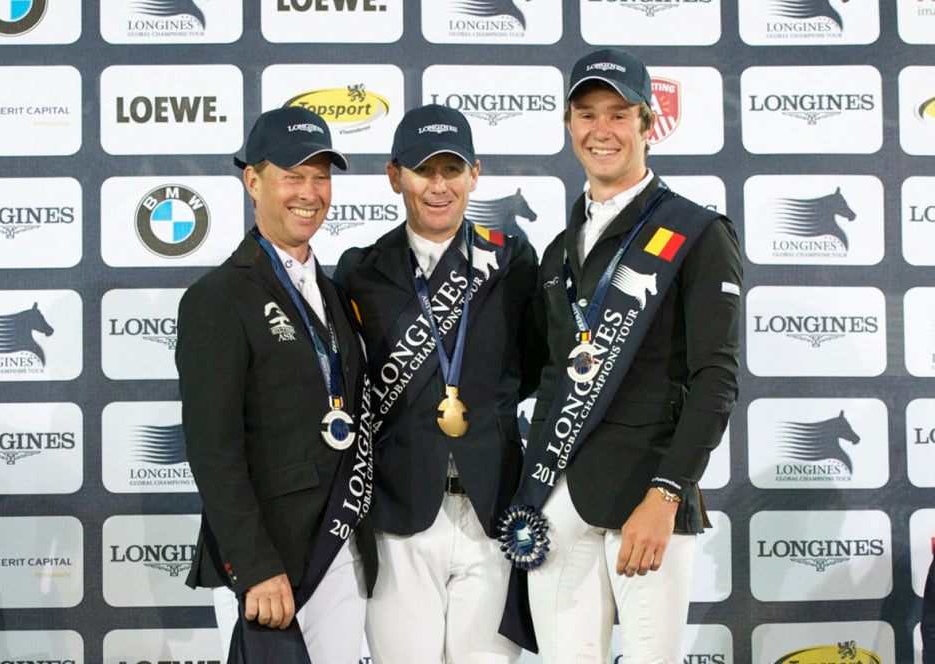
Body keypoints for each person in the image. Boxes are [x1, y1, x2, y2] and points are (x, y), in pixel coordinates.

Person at [501, 48, 742, 663]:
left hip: (647, 499)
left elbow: (715, 380)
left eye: (618, 114)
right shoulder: (558, 249)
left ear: (647, 123)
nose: (601, 130)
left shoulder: (697, 232)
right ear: (568, 125)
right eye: (586, 114)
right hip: (558, 500)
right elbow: (551, 374)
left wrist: (667, 494)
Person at [333, 104, 543, 663]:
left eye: (452, 170)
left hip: (492, 509)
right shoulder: (360, 270)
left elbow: (532, 367)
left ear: (475, 174)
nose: (439, 186)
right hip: (399, 511)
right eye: (424, 170)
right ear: (394, 176)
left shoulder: (512, 261)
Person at [176, 106, 375, 664]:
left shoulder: (336, 295)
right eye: (292, 175)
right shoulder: (217, 298)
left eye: (321, 176)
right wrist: (254, 565)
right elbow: (213, 451)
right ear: (253, 180)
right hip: (269, 564)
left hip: (342, 551)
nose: (309, 192)